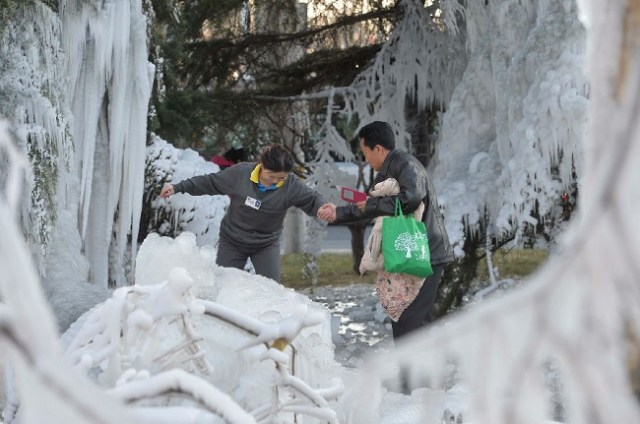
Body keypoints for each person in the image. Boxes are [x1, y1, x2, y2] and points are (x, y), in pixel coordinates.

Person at [318, 121, 454, 340]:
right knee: (401, 317)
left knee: (414, 322)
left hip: (424, 253)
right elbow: (373, 204)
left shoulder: (406, 165)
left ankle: (418, 374)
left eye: (365, 153)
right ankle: (407, 373)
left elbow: (410, 198)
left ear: (378, 149)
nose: (366, 160)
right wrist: (338, 213)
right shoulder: (389, 170)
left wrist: (372, 205)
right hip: (408, 253)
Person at [160, 144, 331, 282]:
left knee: (271, 290)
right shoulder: (240, 173)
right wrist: (177, 187)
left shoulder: (290, 185)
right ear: (262, 166)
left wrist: (322, 207)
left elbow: (312, 199)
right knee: (224, 286)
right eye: (271, 176)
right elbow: (210, 182)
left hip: (265, 244)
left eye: (281, 178)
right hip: (233, 241)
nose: (275, 181)